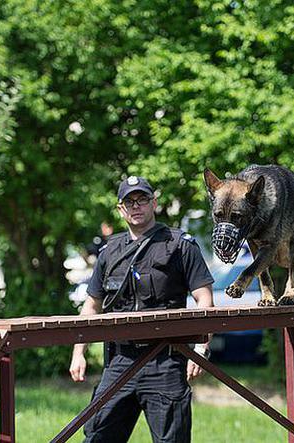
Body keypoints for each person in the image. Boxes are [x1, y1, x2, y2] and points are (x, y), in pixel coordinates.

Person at [69, 175, 214, 443]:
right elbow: (92, 305)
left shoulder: (180, 245)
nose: (136, 206)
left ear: (154, 203)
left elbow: (204, 300)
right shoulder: (109, 251)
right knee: (97, 436)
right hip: (119, 361)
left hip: (166, 360)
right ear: (120, 208)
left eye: (142, 199)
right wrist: (79, 352)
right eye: (129, 201)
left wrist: (201, 350)